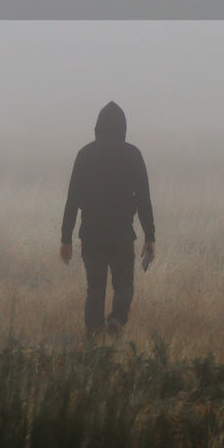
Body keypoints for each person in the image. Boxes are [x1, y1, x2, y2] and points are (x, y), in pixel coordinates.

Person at [59, 101, 156, 337]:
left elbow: (72, 198)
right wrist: (150, 236)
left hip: (91, 234)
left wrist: (66, 239)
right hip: (122, 235)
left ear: (98, 127)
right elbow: (143, 198)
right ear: (123, 127)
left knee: (95, 288)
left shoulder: (85, 154)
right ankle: (116, 321)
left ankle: (94, 336)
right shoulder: (133, 155)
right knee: (124, 285)